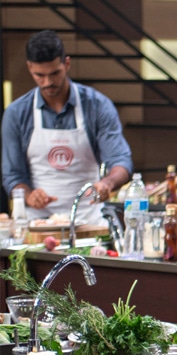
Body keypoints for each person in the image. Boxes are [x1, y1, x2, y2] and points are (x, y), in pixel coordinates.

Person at [2, 30, 133, 226]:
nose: (48, 82)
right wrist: (28, 195)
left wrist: (107, 183)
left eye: (55, 73)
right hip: (38, 224)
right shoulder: (16, 113)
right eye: (40, 75)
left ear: (67, 64)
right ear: (29, 68)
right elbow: (12, 175)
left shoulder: (97, 106)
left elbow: (121, 160)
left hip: (89, 222)